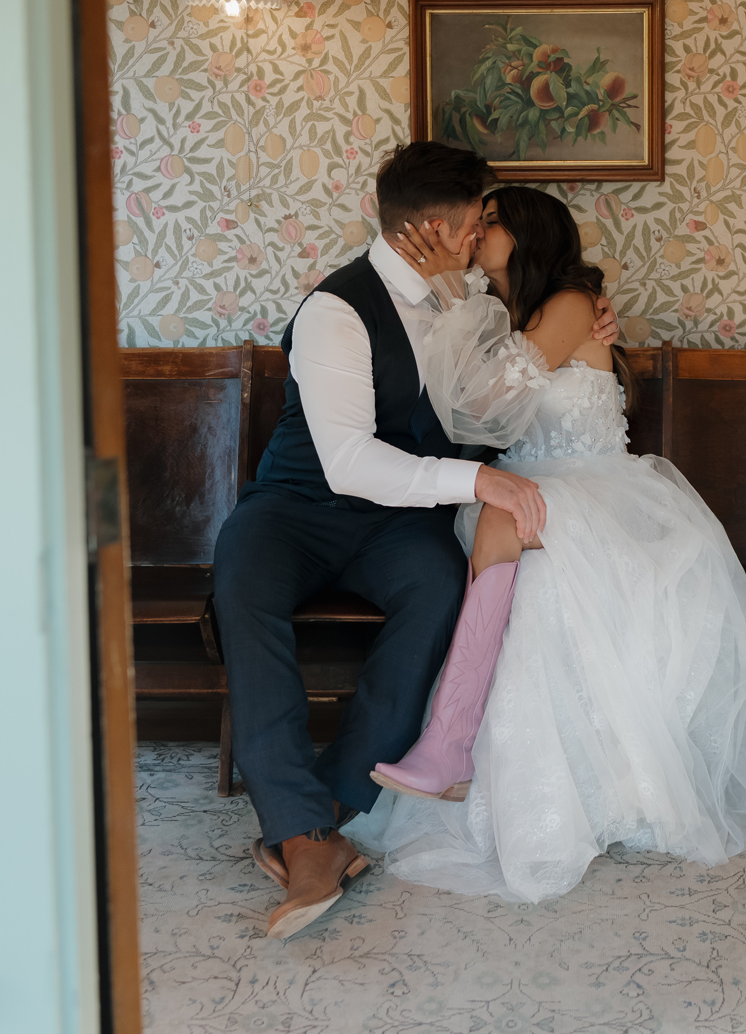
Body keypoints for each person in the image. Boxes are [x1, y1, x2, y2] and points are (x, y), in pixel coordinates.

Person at [212, 145, 619, 938]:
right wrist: (478, 484)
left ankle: (321, 815)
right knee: (242, 590)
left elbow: (533, 354)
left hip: (401, 523)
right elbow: (350, 460)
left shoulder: (473, 292)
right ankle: (305, 838)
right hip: (297, 506)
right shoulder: (337, 310)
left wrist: (592, 324)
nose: (479, 238)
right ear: (436, 226)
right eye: (476, 223)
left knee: (436, 592)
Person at [354, 186, 746, 905]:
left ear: (526, 235)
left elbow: (485, 407)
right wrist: (459, 306)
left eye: (487, 224)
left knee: (517, 537)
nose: (472, 234)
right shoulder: (510, 315)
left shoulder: (573, 305)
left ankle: (456, 743)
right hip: (527, 492)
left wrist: (455, 301)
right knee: (502, 519)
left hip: (598, 492)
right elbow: (476, 422)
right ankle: (454, 746)